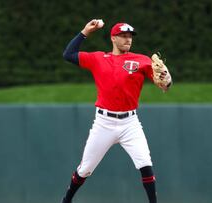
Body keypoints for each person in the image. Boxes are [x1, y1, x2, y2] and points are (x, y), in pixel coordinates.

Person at [61, 19, 172, 203]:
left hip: (130, 123)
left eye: (130, 36)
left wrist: (167, 79)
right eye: (123, 36)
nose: (128, 39)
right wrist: (85, 32)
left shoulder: (142, 61)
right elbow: (68, 54)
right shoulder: (98, 58)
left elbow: (165, 85)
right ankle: (66, 201)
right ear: (113, 38)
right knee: (85, 169)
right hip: (104, 123)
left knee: (145, 163)